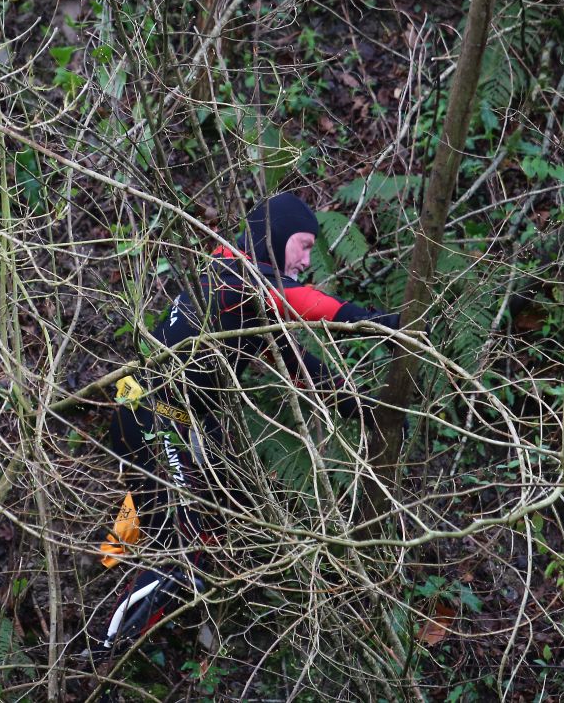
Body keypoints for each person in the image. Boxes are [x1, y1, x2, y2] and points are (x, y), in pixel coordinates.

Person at [95, 191, 399, 657]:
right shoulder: (237, 278)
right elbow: (305, 301)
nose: (306, 258)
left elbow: (300, 365)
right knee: (186, 543)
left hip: (161, 409)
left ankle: (114, 554)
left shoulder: (235, 291)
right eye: (302, 244)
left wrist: (360, 410)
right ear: (275, 238)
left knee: (226, 501)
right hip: (151, 411)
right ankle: (105, 648)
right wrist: (376, 324)